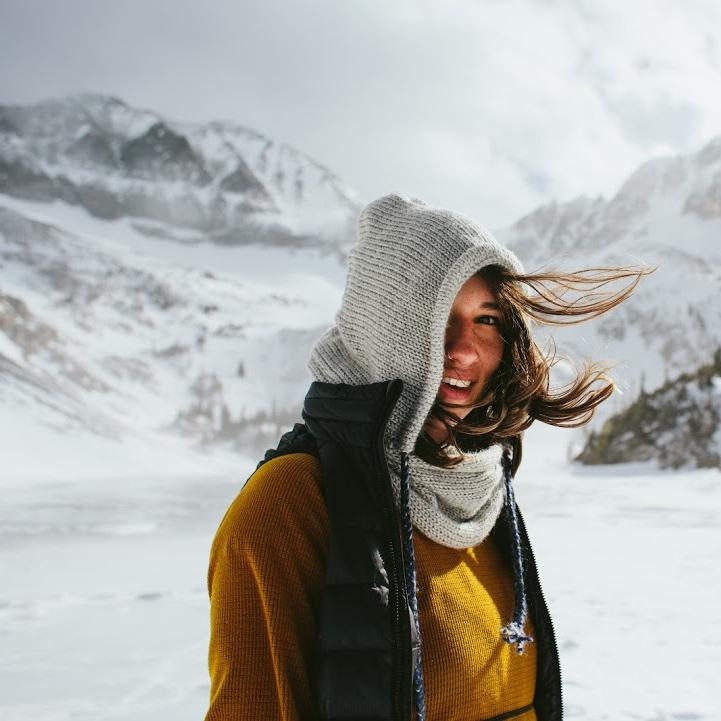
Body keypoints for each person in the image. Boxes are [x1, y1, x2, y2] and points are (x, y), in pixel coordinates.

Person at [203, 194, 648, 721]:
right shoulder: (290, 504)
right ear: (384, 330)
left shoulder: (479, 483)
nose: (464, 350)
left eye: (487, 319)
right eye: (434, 318)